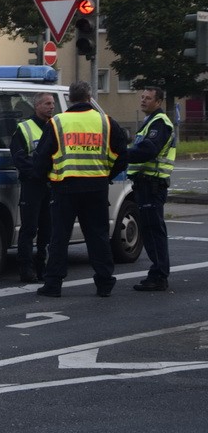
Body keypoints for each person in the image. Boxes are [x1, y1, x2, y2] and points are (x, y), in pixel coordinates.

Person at [33, 81, 128, 297]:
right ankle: (104, 283)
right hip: (96, 188)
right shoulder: (106, 122)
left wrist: (47, 178)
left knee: (59, 237)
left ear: (70, 99)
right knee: (98, 236)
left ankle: (53, 284)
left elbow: (41, 159)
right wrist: (106, 174)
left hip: (64, 188)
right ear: (89, 97)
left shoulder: (57, 123)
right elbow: (122, 156)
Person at [127, 86, 175, 292]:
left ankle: (159, 275)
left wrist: (124, 154)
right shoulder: (150, 122)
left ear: (159, 101)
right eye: (142, 97)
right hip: (145, 184)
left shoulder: (159, 123)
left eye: (148, 98)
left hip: (152, 185)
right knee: (151, 229)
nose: (143, 101)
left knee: (154, 231)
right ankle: (157, 273)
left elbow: (148, 150)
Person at [10, 92, 56, 283]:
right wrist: (38, 173)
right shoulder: (24, 128)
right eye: (47, 103)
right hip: (32, 185)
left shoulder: (55, 127)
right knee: (29, 229)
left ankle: (41, 266)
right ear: (37, 106)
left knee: (47, 229)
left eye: (53, 103)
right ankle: (26, 269)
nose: (51, 107)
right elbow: (19, 158)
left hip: (51, 184)